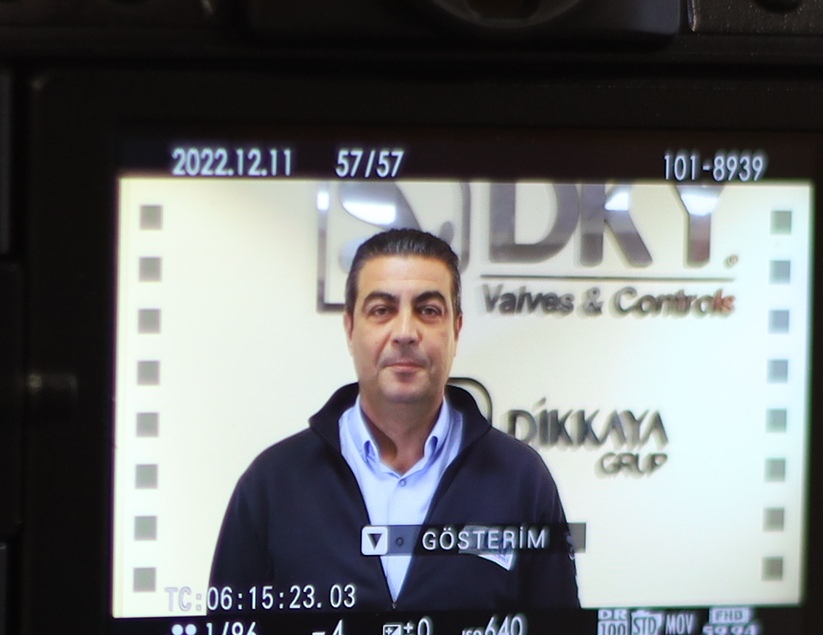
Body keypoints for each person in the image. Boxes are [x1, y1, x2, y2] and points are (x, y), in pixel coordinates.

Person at [208, 226, 580, 613]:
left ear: (456, 330)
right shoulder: (273, 483)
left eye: (428, 310)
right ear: (350, 328)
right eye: (382, 310)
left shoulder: (520, 479)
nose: (404, 332)